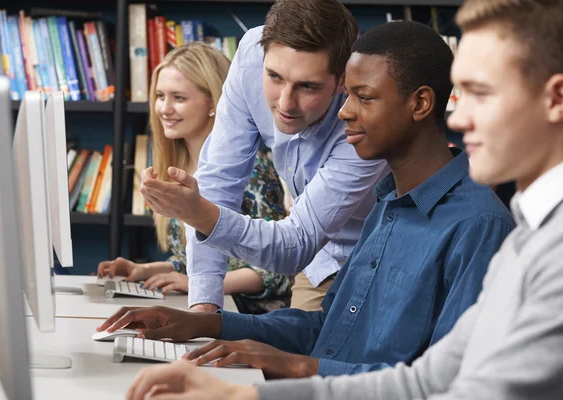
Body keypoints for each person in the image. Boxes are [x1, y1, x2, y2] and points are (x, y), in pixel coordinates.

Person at [125, 0, 563, 398]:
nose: (344, 111)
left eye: (481, 94)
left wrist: (279, 376)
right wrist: (210, 321)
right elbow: (354, 339)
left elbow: (447, 387)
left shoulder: (483, 227)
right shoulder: (389, 206)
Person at [139, 0, 390, 313]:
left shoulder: (369, 109)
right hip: (318, 261)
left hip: (380, 253)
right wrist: (203, 306)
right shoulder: (251, 56)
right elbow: (219, 181)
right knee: (298, 349)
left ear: (341, 81)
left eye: (307, 87)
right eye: (274, 77)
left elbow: (296, 246)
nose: (285, 103)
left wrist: (199, 213)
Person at [97, 43, 292, 314]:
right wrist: (143, 270)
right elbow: (199, 258)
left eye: (178, 98)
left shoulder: (253, 168)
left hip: (251, 319)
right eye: (160, 96)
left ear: (213, 103)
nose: (164, 108)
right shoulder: (177, 164)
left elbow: (276, 271)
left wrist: (198, 285)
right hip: (213, 308)